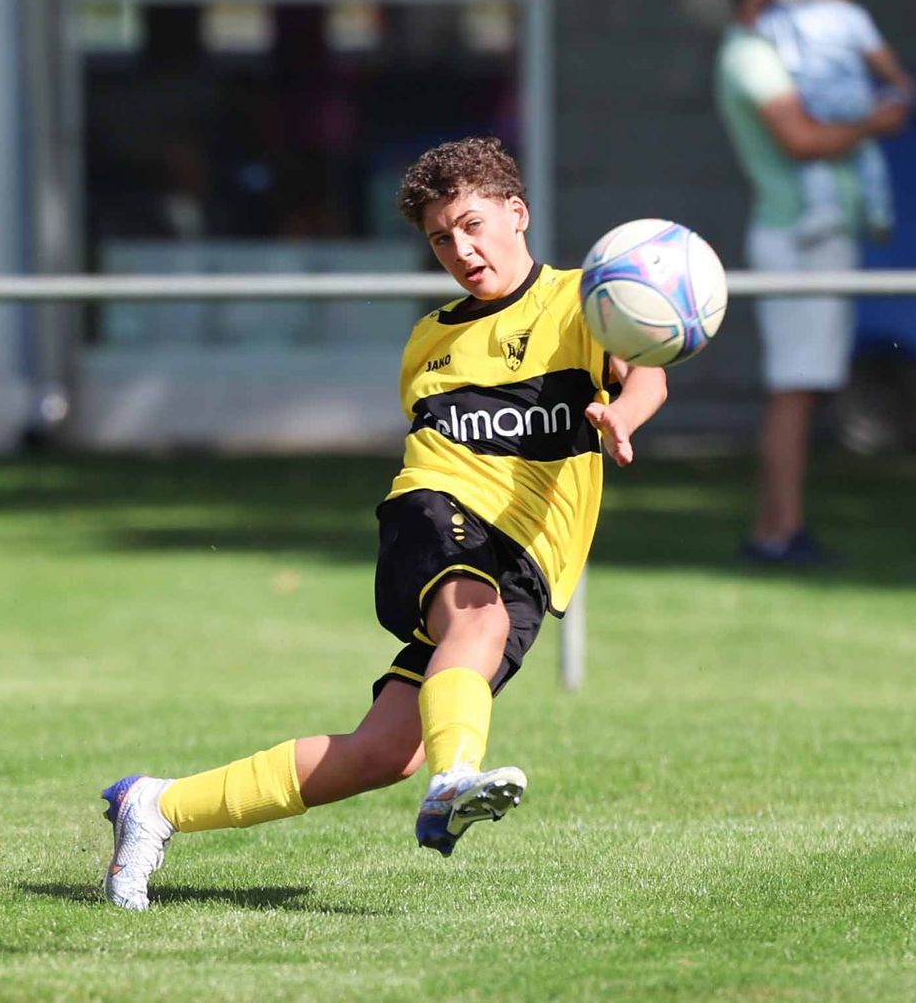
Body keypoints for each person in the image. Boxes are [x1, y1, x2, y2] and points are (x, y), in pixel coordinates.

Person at [98, 137, 668, 911]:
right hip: (435, 507)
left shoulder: (580, 300)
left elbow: (648, 371)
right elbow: (436, 444)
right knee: (477, 621)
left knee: (382, 752)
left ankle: (155, 806)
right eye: (440, 238)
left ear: (518, 213)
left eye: (471, 224)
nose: (460, 249)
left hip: (530, 557)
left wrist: (620, 415)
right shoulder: (431, 340)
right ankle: (455, 781)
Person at [716, 0, 909, 565]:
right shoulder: (750, 55)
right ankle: (779, 535)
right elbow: (801, 139)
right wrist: (873, 122)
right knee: (794, 390)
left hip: (816, 240)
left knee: (801, 387)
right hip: (798, 241)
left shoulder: (778, 45)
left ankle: (776, 529)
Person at [756, 0, 916, 245]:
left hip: (814, 102)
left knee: (817, 160)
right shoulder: (852, 17)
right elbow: (878, 56)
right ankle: (879, 212)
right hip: (855, 99)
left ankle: (823, 210)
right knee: (867, 151)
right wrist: (900, 82)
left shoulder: (782, 18)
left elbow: (760, 34)